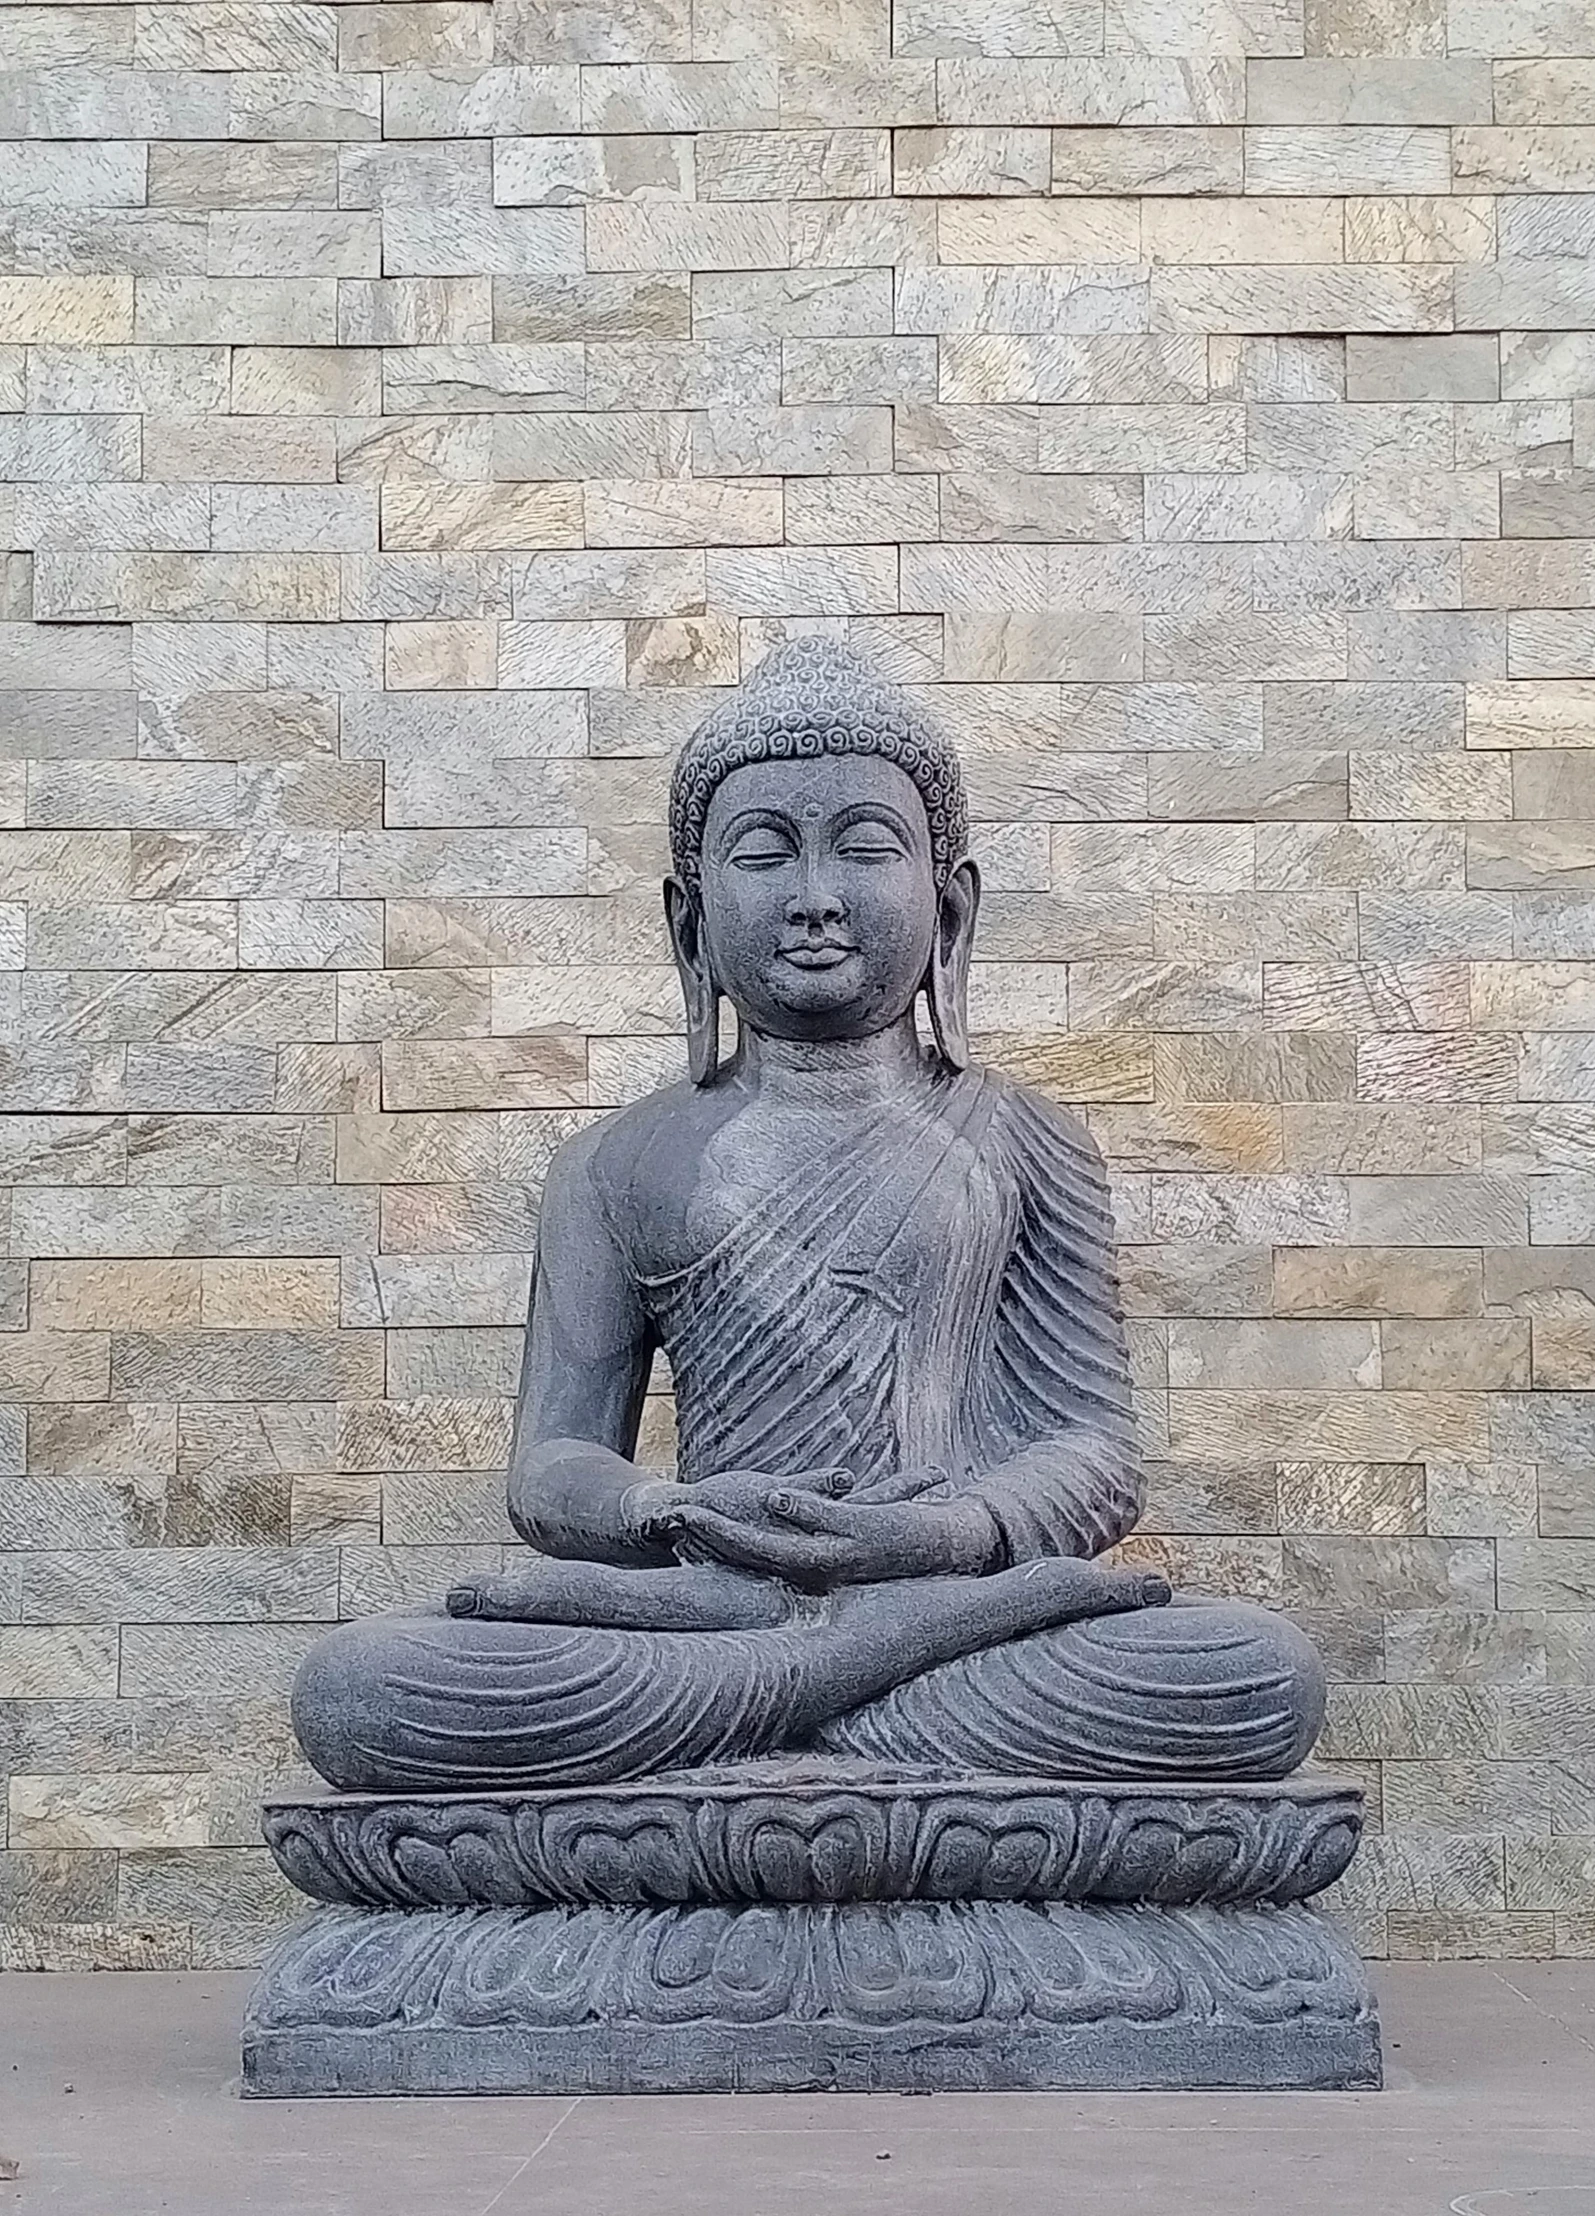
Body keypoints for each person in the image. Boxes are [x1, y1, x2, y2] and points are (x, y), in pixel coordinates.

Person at [292, 640, 1324, 1793]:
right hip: (716, 1602)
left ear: (950, 902)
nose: (816, 897)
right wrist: (667, 1508)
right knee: (362, 1690)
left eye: (866, 848)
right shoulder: (612, 1166)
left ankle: (791, 1707)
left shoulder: (1023, 1138)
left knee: (1253, 1675)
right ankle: (842, 1695)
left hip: (946, 1603)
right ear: (690, 921)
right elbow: (553, 1466)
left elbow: (1092, 1453)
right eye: (765, 852)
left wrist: (935, 1540)